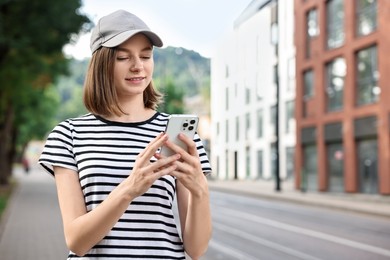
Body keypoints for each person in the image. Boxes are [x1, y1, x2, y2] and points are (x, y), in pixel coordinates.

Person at [39, 10, 212, 260]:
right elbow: (77, 242)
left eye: (146, 55)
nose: (138, 66)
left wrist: (200, 191)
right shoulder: (69, 135)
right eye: (123, 57)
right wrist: (130, 188)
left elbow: (196, 250)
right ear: (102, 63)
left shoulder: (177, 135)